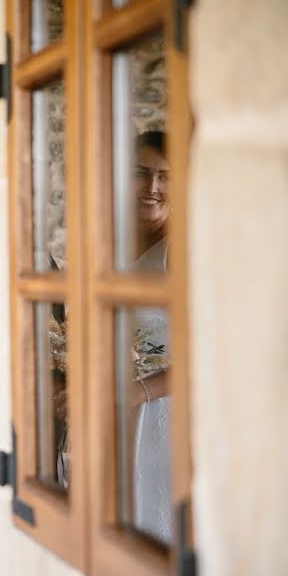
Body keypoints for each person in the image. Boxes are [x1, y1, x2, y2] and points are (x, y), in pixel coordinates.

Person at [130, 130, 171, 544]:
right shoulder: (118, 246)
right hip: (123, 413)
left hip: (164, 411)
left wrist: (136, 393)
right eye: (141, 173)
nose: (152, 187)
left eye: (165, 176)